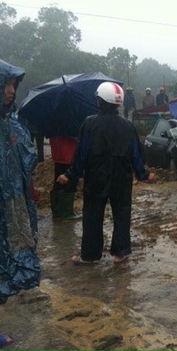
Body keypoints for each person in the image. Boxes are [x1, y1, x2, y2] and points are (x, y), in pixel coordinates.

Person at [56, 82, 156, 265]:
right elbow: (136, 154)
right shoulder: (128, 126)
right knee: (122, 214)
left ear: (100, 101)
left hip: (96, 178)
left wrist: (70, 174)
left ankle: (89, 255)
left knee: (92, 215)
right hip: (121, 179)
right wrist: (143, 174)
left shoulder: (89, 123)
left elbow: (81, 154)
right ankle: (120, 253)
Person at [0, 60, 40, 345]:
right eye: (9, 84)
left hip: (9, 205)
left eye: (14, 85)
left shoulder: (8, 122)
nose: (12, 90)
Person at [49, 136, 82, 221]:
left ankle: (57, 212)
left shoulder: (55, 127)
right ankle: (66, 213)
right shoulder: (69, 127)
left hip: (58, 154)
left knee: (58, 182)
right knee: (69, 183)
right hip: (68, 155)